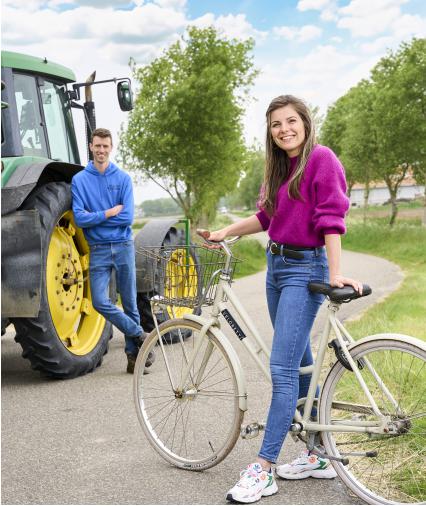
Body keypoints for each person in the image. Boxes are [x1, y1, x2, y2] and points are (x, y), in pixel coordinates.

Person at [199, 95, 362, 504]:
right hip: (276, 269)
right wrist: (225, 232)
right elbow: (268, 218)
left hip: (306, 270)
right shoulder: (277, 168)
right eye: (276, 124)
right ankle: (317, 455)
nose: (284, 129)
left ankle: (265, 467)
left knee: (282, 367)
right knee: (300, 356)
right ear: (270, 132)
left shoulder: (321, 159)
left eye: (291, 121)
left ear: (305, 123)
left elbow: (331, 220)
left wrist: (334, 271)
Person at [71, 127, 154, 374]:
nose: (101, 150)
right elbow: (79, 218)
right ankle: (140, 334)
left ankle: (133, 358)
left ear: (111, 147)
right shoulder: (80, 180)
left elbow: (127, 217)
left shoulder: (122, 179)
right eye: (97, 146)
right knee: (99, 301)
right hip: (98, 249)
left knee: (130, 302)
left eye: (105, 146)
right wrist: (108, 213)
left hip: (123, 245)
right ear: (91, 147)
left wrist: (95, 217)